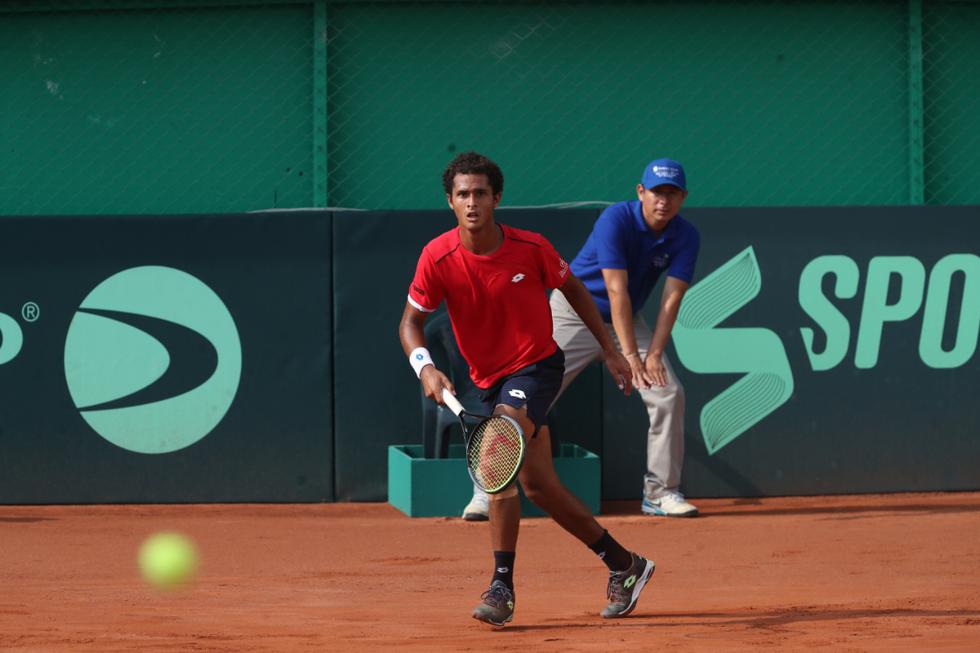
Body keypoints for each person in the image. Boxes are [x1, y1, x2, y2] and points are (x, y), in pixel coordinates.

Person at [399, 151, 655, 626]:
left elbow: (575, 290)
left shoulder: (531, 247)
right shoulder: (437, 256)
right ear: (450, 202)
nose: (472, 202)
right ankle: (626, 565)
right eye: (462, 195)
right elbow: (410, 323)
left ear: (496, 198)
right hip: (486, 380)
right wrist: (425, 369)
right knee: (540, 485)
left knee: (498, 450)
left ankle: (501, 586)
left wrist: (609, 350)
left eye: (480, 193)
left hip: (537, 367)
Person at [550, 157, 700, 517]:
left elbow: (672, 297)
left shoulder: (686, 235)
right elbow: (616, 290)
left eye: (672, 193)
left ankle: (660, 492)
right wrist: (632, 358)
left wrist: (654, 353)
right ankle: (488, 486)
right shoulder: (615, 219)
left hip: (627, 322)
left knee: (668, 393)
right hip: (573, 312)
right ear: (640, 192)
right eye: (656, 192)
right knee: (529, 392)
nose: (663, 200)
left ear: (683, 197)